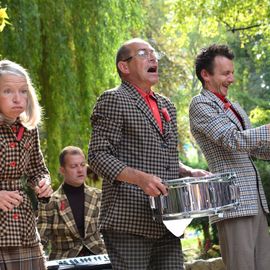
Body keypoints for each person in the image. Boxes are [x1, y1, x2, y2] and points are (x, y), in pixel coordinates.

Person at [88, 38, 209, 270]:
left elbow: (166, 159)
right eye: (143, 53)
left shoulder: (167, 105)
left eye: (154, 54)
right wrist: (140, 179)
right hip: (129, 221)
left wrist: (188, 171)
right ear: (124, 67)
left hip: (169, 221)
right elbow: (98, 156)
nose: (153, 58)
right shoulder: (114, 99)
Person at [189, 44, 270, 270]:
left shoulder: (233, 106)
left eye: (232, 72)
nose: (232, 79)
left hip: (255, 201)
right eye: (226, 73)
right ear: (206, 75)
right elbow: (232, 139)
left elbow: (253, 147)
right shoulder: (201, 104)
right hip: (232, 202)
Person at [0, 59, 52, 270]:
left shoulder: (29, 129)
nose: (17, 98)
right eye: (7, 91)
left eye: (23, 91)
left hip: (23, 228)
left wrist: (42, 183)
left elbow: (37, 168)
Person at [37, 146, 106, 260]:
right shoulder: (50, 202)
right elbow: (41, 238)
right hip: (65, 260)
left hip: (99, 258)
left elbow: (110, 231)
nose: (80, 170)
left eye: (83, 165)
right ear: (62, 170)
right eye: (74, 166)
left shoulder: (99, 196)